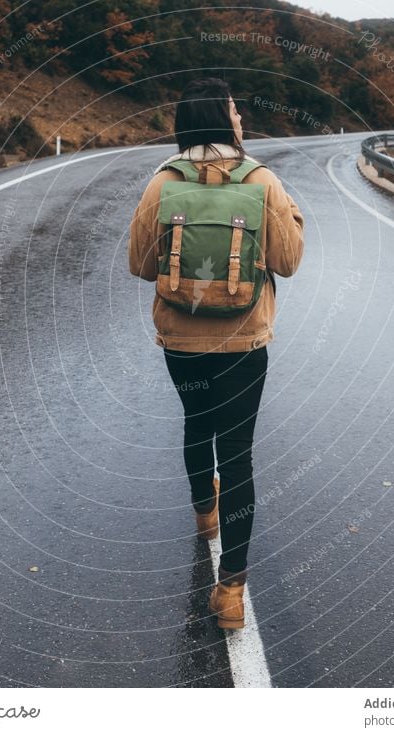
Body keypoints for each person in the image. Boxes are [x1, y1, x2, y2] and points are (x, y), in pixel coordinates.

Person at [127, 77, 304, 629]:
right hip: (244, 339)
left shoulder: (162, 182)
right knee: (239, 453)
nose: (241, 119)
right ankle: (230, 593)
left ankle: (205, 513)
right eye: (235, 111)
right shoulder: (263, 180)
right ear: (223, 122)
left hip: (182, 339)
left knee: (194, 421)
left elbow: (140, 263)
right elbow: (289, 260)